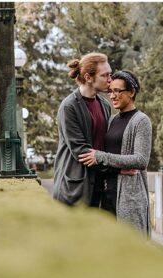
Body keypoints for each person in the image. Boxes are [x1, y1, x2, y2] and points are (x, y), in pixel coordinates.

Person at [78, 70, 152, 234]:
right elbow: (109, 159)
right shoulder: (111, 120)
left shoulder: (141, 121)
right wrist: (118, 167)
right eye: (111, 91)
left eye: (118, 91)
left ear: (131, 92)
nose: (112, 96)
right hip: (107, 195)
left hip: (129, 198)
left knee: (132, 249)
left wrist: (100, 156)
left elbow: (141, 160)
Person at [51, 52, 113, 207]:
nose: (110, 80)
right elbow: (81, 152)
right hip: (74, 187)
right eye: (104, 75)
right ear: (88, 78)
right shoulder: (69, 107)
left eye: (110, 74)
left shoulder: (104, 105)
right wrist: (116, 164)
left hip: (98, 185)